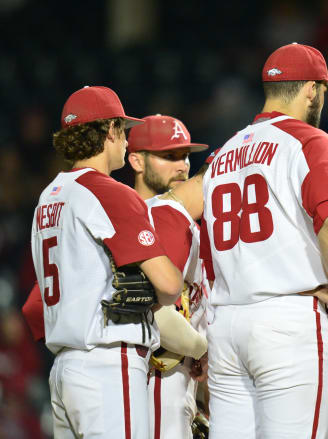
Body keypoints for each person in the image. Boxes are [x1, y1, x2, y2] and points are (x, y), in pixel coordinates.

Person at [199, 42, 328, 439]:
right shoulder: (309, 140)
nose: (323, 97)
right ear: (310, 90)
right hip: (287, 318)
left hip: (227, 324)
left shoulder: (223, 153)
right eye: (323, 89)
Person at [31, 86, 183, 438]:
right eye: (123, 130)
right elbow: (169, 284)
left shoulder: (47, 197)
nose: (127, 140)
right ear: (109, 130)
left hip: (63, 369)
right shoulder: (109, 191)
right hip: (107, 363)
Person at [126, 114, 211, 439]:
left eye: (186, 156)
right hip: (154, 378)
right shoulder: (133, 216)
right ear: (135, 159)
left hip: (182, 382)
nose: (182, 166)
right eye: (169, 156)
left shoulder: (190, 223)